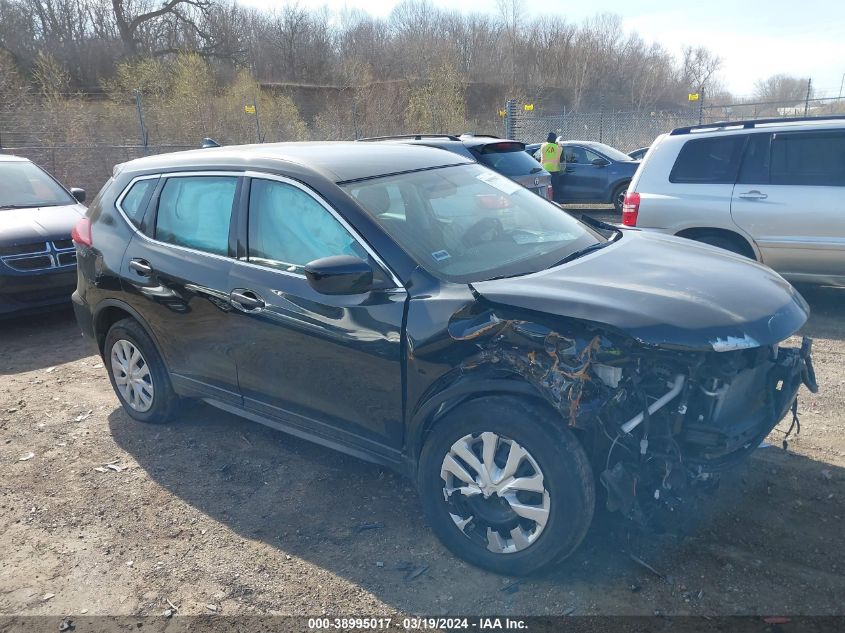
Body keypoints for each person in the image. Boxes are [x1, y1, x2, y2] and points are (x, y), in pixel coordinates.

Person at [536, 132, 562, 202]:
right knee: (555, 189)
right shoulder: (557, 147)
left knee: (545, 189)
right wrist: (557, 142)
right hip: (554, 170)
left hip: (544, 170)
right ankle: (555, 203)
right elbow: (560, 150)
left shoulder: (543, 146)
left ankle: (546, 202)